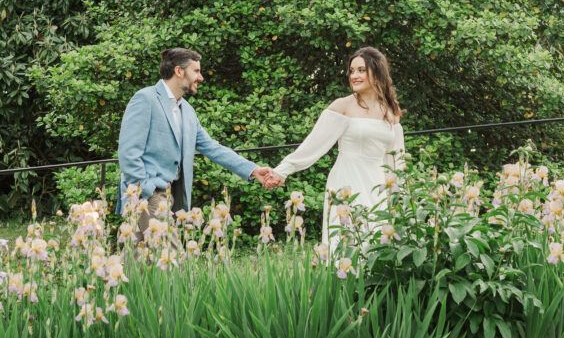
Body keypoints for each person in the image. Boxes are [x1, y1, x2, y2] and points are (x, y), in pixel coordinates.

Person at [117, 47, 274, 233]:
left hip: (171, 196)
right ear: (179, 71)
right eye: (196, 71)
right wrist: (146, 189)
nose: (200, 77)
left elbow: (212, 148)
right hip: (148, 195)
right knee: (169, 257)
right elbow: (129, 152)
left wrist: (253, 170)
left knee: (140, 257)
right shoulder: (145, 99)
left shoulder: (188, 111)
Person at [266, 47, 405, 249]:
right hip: (347, 181)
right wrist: (282, 170)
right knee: (347, 241)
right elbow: (312, 146)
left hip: (377, 184)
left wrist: (399, 195)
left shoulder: (390, 111)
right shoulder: (343, 106)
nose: (354, 76)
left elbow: (397, 160)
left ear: (377, 73)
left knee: (377, 240)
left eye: (361, 70)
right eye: (352, 71)